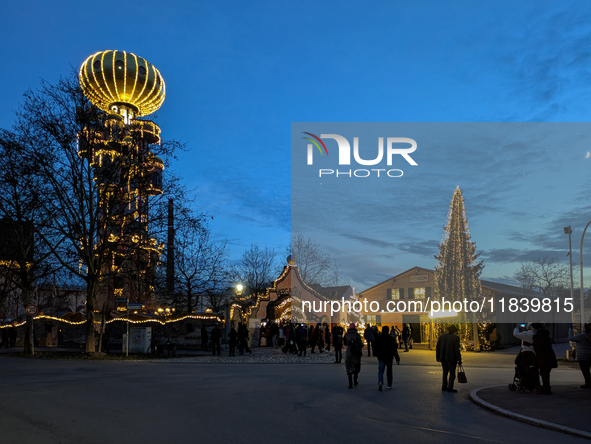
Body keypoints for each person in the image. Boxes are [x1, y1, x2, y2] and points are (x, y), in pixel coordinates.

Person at [531, 322, 557, 395]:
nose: (531, 329)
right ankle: (546, 388)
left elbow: (540, 345)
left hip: (544, 357)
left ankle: (546, 389)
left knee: (544, 373)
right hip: (547, 357)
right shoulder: (543, 334)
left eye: (532, 328)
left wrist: (534, 345)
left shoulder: (540, 335)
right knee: (545, 373)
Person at [436, 325, 462, 393]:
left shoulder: (442, 337)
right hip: (451, 358)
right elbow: (456, 349)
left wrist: (438, 357)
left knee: (445, 372)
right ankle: (450, 387)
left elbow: (438, 347)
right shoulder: (455, 338)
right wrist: (459, 359)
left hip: (443, 357)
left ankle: (444, 386)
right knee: (452, 372)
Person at [375, 326, 397, 390]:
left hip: (381, 357)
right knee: (389, 370)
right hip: (389, 357)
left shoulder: (379, 338)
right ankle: (389, 384)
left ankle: (380, 381)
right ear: (388, 330)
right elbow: (394, 349)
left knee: (381, 370)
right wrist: (397, 358)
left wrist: (377, 355)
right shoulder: (391, 339)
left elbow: (376, 348)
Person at [569, 323, 591, 389]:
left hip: (582, 355)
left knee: (585, 370)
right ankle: (589, 382)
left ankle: (587, 383)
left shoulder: (582, 335)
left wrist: (571, 330)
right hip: (589, 354)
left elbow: (571, 338)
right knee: (587, 369)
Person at [344, 323, 363, 388]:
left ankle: (350, 383)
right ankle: (355, 380)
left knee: (349, 366)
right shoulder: (357, 335)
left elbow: (345, 343)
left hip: (349, 352)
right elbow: (360, 343)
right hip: (356, 351)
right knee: (356, 365)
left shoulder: (346, 334)